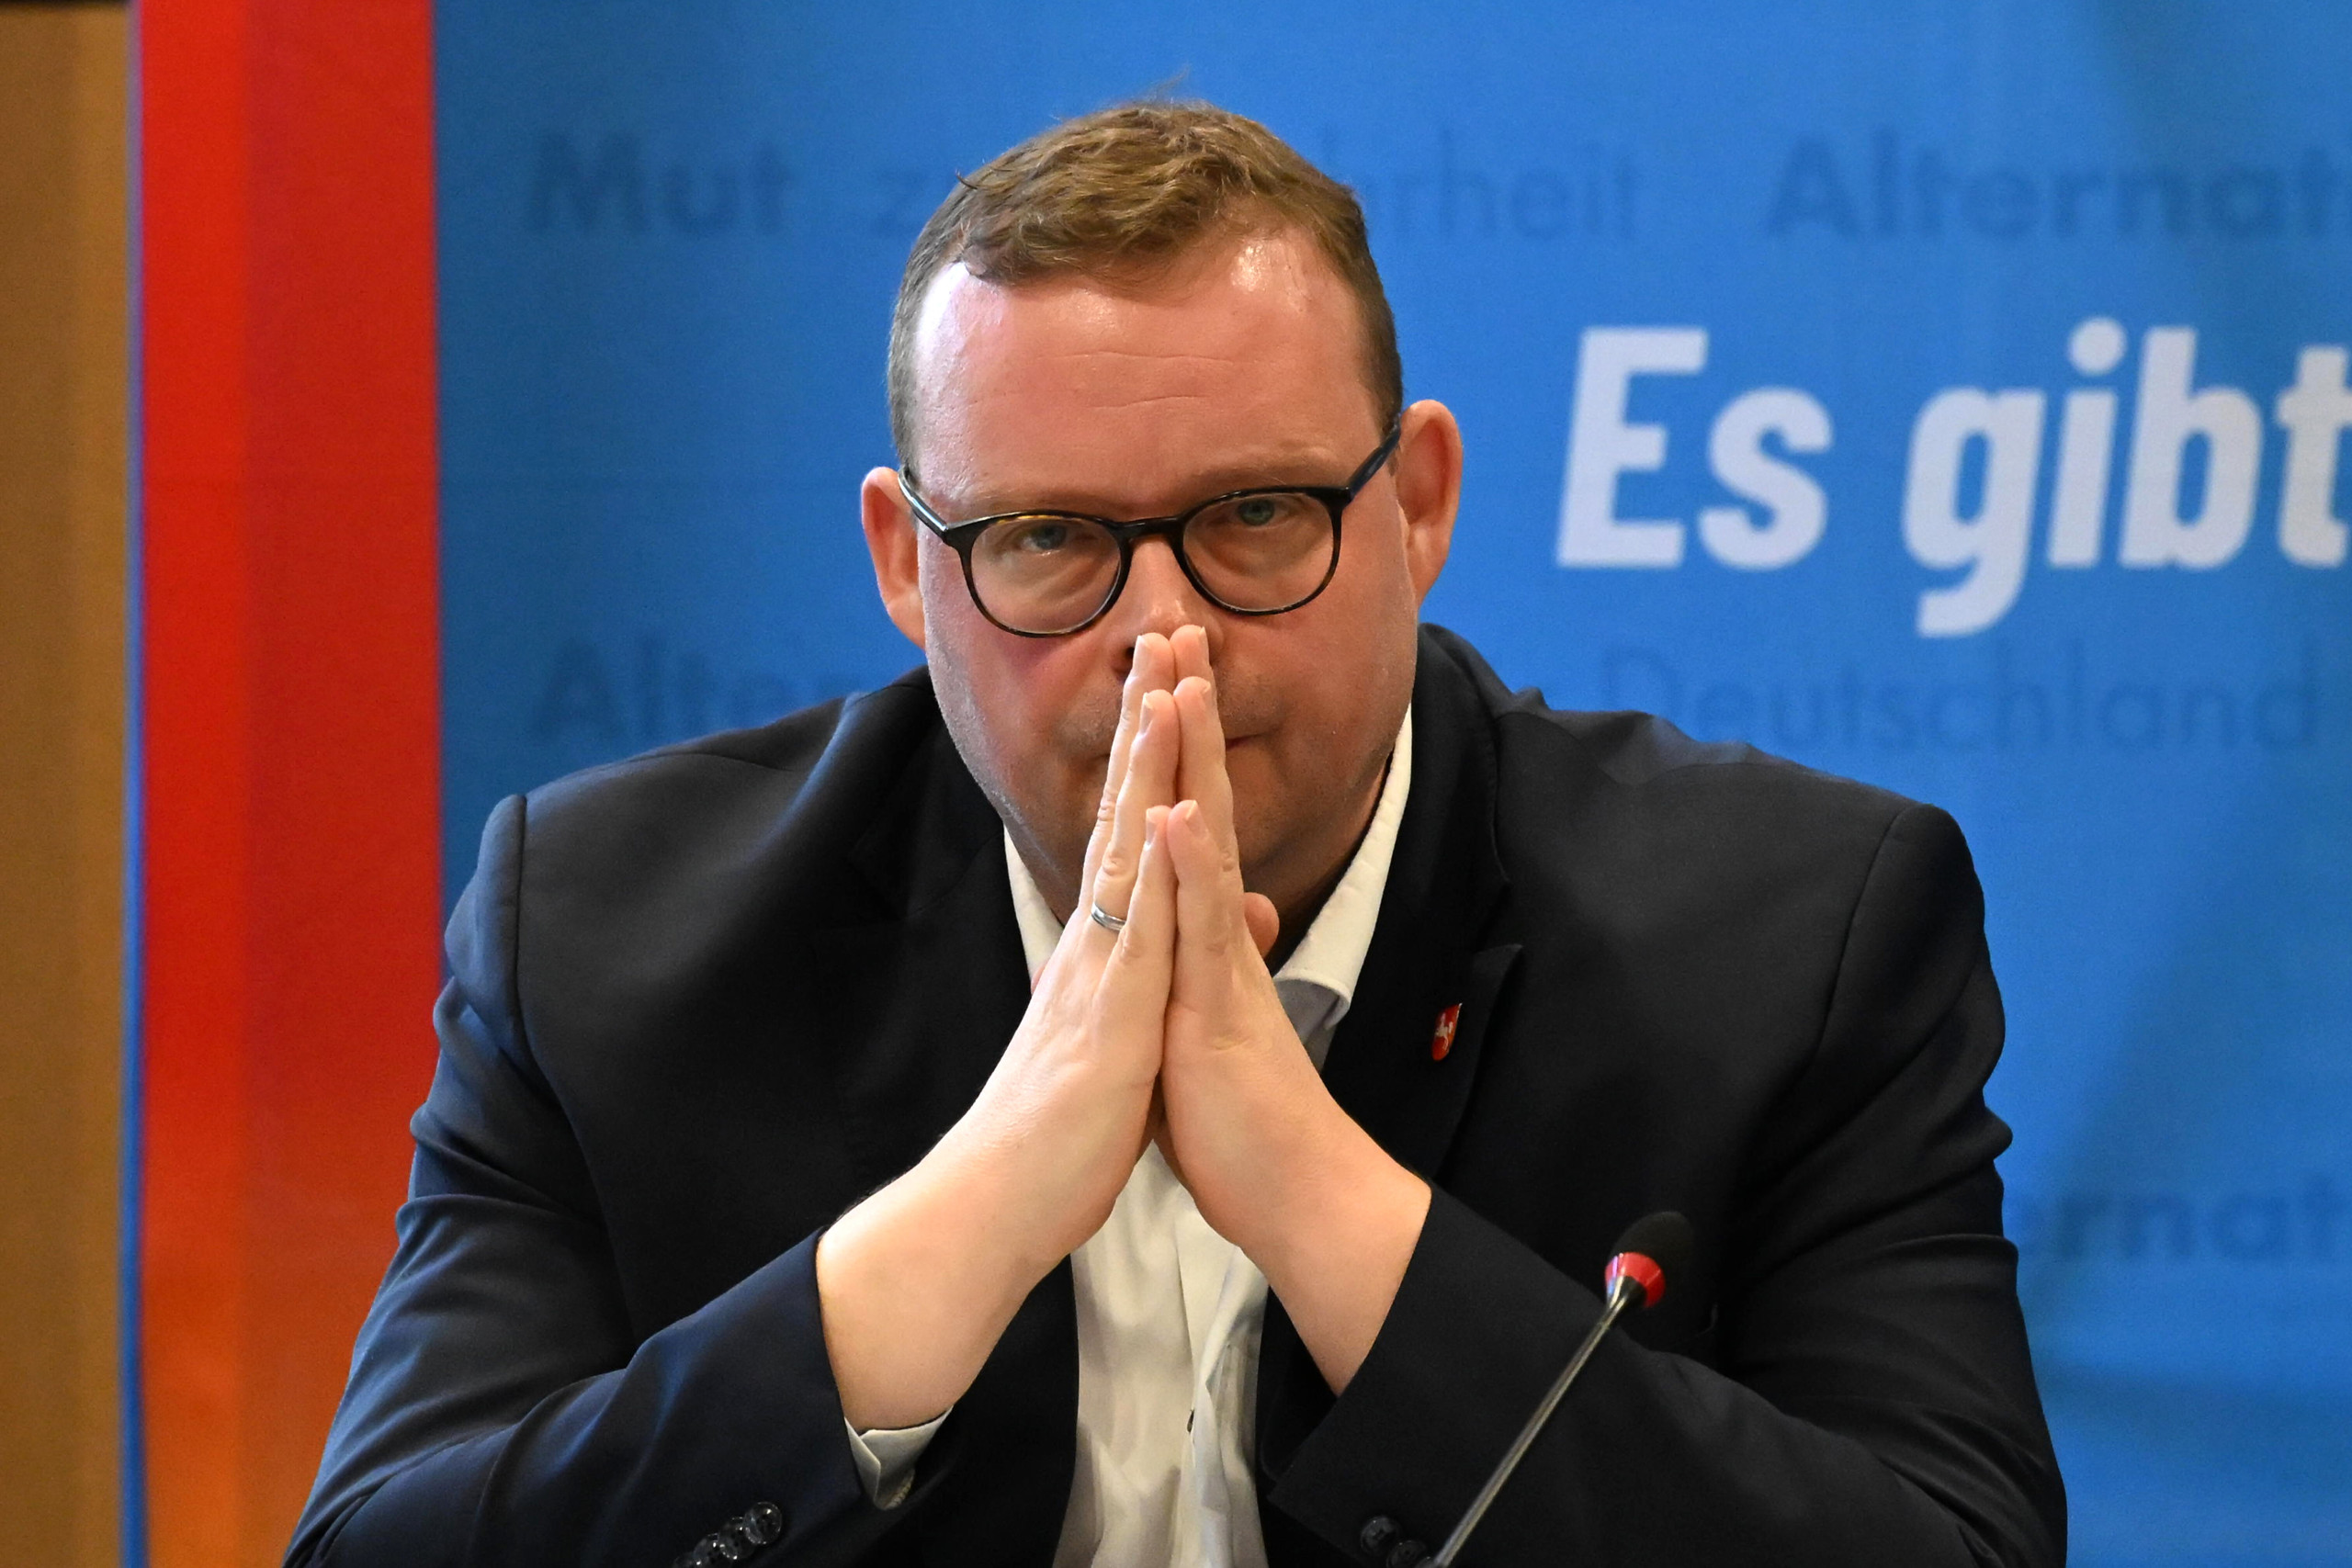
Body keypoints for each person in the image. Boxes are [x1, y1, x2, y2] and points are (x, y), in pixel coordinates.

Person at [288, 101, 2064, 1568]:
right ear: (911, 567)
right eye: (1052, 541)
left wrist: (1324, 1199)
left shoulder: (1799, 937)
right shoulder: (606, 939)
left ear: (1419, 505)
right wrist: (975, 1209)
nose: (1166, 637)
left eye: (1258, 517)